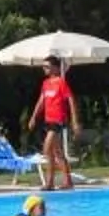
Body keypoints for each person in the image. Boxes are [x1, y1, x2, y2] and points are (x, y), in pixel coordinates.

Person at [35, 55, 80, 187]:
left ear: (55, 68)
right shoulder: (45, 83)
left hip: (58, 119)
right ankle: (68, 181)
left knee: (46, 149)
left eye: (47, 67)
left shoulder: (61, 82)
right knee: (57, 152)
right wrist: (34, 116)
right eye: (43, 67)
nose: (44, 69)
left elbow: (71, 100)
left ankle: (49, 183)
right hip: (48, 119)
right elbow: (41, 101)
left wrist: (75, 121)